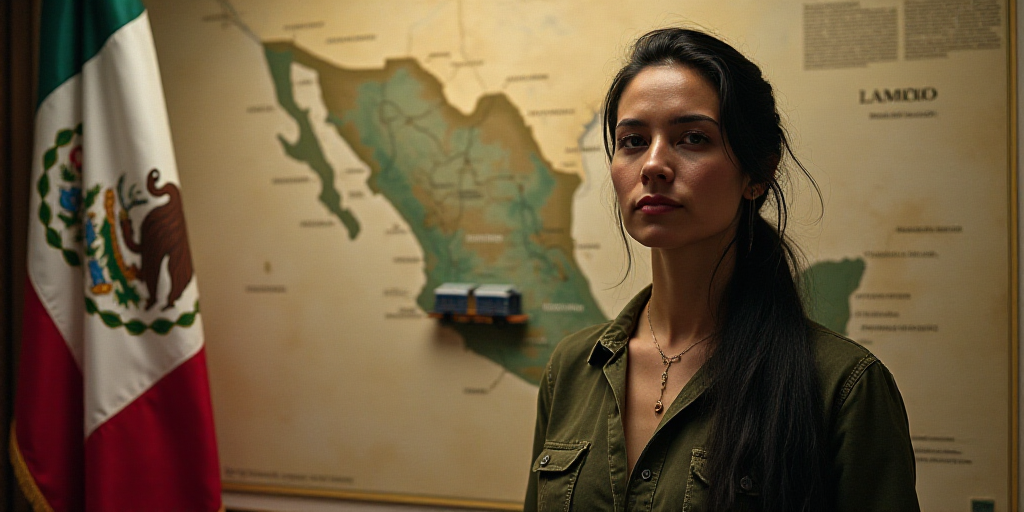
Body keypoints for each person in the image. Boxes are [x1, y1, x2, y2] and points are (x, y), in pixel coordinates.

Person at [524, 28, 919, 512]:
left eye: (692, 138)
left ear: (758, 174)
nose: (653, 165)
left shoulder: (844, 387)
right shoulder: (572, 368)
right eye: (632, 140)